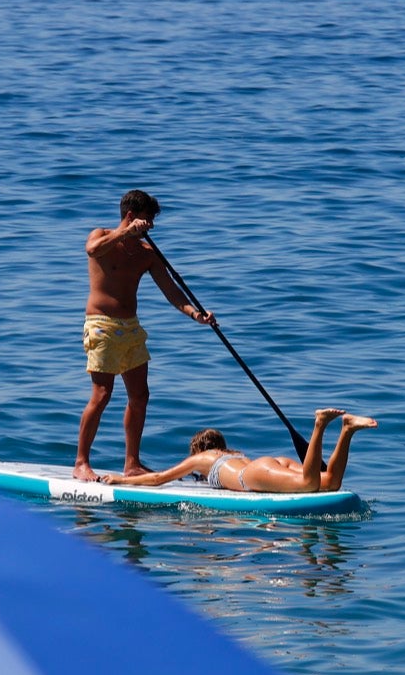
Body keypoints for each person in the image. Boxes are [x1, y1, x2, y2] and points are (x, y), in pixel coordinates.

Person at [74, 189, 216, 482]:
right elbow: (92, 250)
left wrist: (195, 314)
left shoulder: (147, 254)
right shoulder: (101, 235)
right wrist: (125, 233)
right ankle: (81, 463)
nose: (150, 228)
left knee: (140, 396)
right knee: (101, 395)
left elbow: (171, 291)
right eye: (147, 221)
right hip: (101, 326)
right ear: (130, 217)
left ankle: (132, 464)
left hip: (131, 328)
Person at [99, 408, 376, 493]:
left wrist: (122, 480)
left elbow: (159, 478)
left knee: (309, 482)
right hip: (267, 462)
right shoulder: (234, 453)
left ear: (200, 449)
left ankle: (319, 426)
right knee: (331, 483)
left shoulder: (201, 459)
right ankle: (347, 429)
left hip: (251, 476)